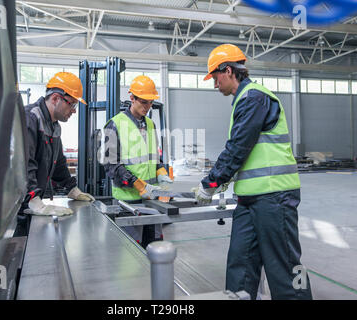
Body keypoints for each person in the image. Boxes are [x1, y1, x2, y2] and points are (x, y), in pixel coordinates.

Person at [194, 44, 312, 300]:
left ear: (228, 71)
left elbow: (238, 147)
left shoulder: (254, 98)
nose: (214, 84)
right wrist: (220, 183)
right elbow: (242, 152)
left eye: (215, 77)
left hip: (274, 197)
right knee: (240, 264)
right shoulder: (243, 100)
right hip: (249, 199)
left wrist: (210, 183)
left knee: (285, 267)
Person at [15, 72, 94, 236]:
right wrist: (32, 198)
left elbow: (59, 162)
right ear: (56, 98)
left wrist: (72, 188)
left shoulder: (54, 126)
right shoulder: (30, 118)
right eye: (72, 104)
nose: (73, 111)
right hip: (14, 207)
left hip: (28, 204)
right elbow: (23, 163)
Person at [101, 75, 173, 248]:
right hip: (128, 202)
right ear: (131, 98)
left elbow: (154, 158)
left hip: (151, 200)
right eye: (143, 101)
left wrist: (162, 173)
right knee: (131, 255)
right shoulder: (114, 124)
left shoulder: (150, 124)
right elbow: (111, 165)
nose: (147, 107)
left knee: (154, 248)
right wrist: (139, 185)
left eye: (150, 102)